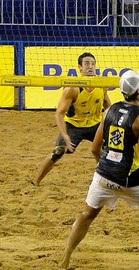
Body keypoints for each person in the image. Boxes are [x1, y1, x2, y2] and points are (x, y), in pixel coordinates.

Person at [59, 68, 139, 270]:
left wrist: (105, 167)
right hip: (131, 178)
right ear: (138, 92)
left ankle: (65, 260)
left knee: (86, 214)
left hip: (103, 175)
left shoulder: (109, 111)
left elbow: (95, 148)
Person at [32, 52, 111, 186]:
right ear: (80, 68)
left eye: (93, 64)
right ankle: (35, 181)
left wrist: (108, 123)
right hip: (74, 126)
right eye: (86, 64)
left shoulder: (101, 84)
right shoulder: (72, 88)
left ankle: (106, 179)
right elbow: (59, 114)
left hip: (95, 125)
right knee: (58, 151)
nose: (90, 67)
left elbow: (108, 105)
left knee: (109, 150)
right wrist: (65, 136)